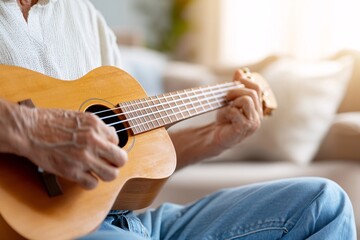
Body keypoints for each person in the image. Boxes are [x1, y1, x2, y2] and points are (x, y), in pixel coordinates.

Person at [0, 0, 356, 239]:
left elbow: (132, 163)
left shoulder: (84, 16)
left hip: (130, 222)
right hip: (42, 228)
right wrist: (28, 128)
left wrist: (212, 139)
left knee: (324, 203)